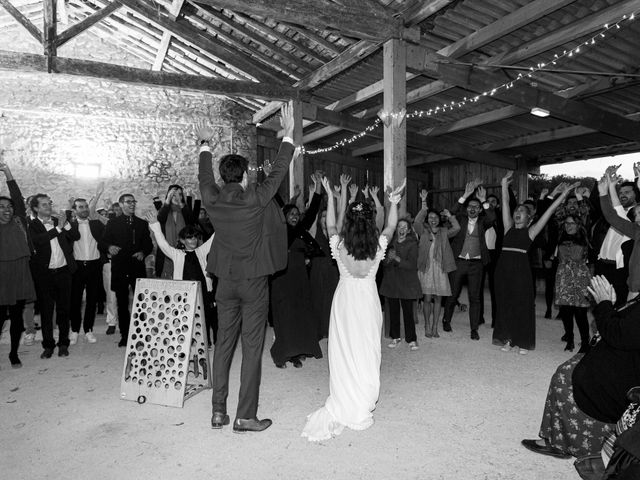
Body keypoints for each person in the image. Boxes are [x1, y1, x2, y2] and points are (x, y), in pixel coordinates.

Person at [197, 103, 295, 434]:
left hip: (224, 282)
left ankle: (217, 413)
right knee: (252, 348)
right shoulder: (255, 198)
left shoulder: (211, 198)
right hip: (253, 282)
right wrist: (288, 135)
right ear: (244, 174)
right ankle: (245, 416)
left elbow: (203, 177)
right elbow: (280, 170)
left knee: (224, 344)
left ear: (224, 176)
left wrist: (205, 145)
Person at [301, 176, 404, 442]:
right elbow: (391, 225)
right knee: (367, 348)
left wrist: (329, 195)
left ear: (351, 223)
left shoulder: (339, 245)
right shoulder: (379, 246)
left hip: (345, 300)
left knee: (344, 349)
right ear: (371, 224)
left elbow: (331, 223)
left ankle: (345, 397)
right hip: (368, 300)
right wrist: (394, 202)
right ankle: (363, 399)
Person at [521, 276, 640, 458]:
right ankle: (556, 440)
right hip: (624, 363)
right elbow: (625, 327)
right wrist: (611, 306)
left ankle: (560, 443)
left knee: (564, 377)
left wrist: (605, 304)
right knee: (571, 366)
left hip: (625, 384)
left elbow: (618, 334)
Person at [492, 172, 576, 354]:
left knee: (522, 306)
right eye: (516, 211)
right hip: (502, 271)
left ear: (529, 218)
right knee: (505, 306)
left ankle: (522, 341)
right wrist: (503, 185)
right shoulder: (507, 228)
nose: (517, 213)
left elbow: (549, 211)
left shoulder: (531, 232)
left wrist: (563, 195)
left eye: (521, 212)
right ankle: (508, 339)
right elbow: (505, 204)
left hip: (520, 273)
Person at [270, 174, 323, 368]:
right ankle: (284, 354)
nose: (294, 216)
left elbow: (314, 209)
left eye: (296, 214)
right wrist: (271, 176)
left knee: (300, 313)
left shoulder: (301, 229)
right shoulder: (279, 230)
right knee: (285, 315)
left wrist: (318, 186)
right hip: (281, 280)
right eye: (290, 213)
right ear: (283, 216)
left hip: (300, 279)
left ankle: (300, 349)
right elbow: (276, 201)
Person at [145, 212, 217, 345]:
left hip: (204, 292)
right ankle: (187, 343)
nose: (193, 240)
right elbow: (162, 244)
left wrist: (225, 220)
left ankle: (207, 343)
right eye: (189, 238)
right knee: (186, 319)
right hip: (185, 294)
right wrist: (155, 225)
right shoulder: (176, 254)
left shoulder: (201, 251)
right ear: (182, 241)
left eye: (195, 237)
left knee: (207, 316)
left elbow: (215, 238)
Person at [442, 179, 495, 340]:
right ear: (467, 209)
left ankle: (474, 329)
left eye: (476, 207)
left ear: (480, 210)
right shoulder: (461, 219)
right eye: (470, 207)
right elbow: (450, 211)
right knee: (453, 293)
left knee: (475, 297)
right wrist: (465, 195)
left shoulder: (484, 222)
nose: (473, 209)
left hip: (476, 264)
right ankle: (446, 319)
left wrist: (484, 200)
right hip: (458, 261)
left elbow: (492, 218)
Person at [102, 194, 153, 347]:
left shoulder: (142, 224)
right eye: (128, 202)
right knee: (122, 303)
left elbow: (148, 244)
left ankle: (142, 334)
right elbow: (103, 242)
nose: (132, 204)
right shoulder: (112, 223)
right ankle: (125, 335)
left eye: (133, 201)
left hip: (137, 267)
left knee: (141, 303)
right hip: (120, 267)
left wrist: (143, 252)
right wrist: (109, 247)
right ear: (121, 204)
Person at [0, 161, 35, 367]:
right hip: (1, 275)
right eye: (2, 207)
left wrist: (7, 172)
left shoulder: (19, 221)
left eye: (9, 206)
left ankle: (14, 353)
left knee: (16, 319)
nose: (7, 209)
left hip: (20, 274)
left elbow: (18, 198)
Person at [413, 189, 459, 338]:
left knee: (438, 298)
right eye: (430, 217)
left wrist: (450, 216)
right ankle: (426, 325)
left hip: (440, 268)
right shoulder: (422, 230)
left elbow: (457, 228)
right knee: (427, 298)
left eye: (435, 217)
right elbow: (417, 221)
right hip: (426, 268)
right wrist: (424, 203)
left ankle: (434, 327)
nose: (433, 219)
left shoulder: (444, 232)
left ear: (439, 219)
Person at [69, 198, 107, 345]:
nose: (84, 209)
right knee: (75, 300)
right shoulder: (70, 226)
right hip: (77, 267)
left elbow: (106, 239)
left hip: (94, 265)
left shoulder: (97, 224)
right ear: (75, 210)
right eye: (80, 207)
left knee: (92, 300)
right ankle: (74, 330)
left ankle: (88, 329)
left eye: (86, 206)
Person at [380, 217, 422, 350]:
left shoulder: (412, 244)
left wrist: (397, 259)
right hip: (392, 281)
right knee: (393, 311)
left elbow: (412, 265)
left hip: (406, 282)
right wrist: (387, 260)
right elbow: (384, 263)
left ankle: (412, 339)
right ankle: (395, 337)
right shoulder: (390, 243)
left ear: (409, 230)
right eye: (399, 227)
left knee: (408, 312)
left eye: (404, 227)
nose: (401, 229)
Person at [598, 168, 640, 300]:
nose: (637, 219)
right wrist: (603, 193)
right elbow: (612, 217)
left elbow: (618, 213)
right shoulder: (636, 231)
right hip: (633, 291)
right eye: (636, 215)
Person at [553, 214, 592, 353]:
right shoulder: (560, 237)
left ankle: (585, 341)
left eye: (572, 223)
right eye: (566, 223)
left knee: (580, 312)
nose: (568, 226)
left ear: (578, 225)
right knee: (566, 311)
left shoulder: (585, 239)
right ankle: (569, 339)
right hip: (563, 276)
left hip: (580, 277)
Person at [155, 185, 195, 278]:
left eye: (180, 195)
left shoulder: (185, 211)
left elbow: (191, 221)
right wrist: (168, 199)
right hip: (167, 255)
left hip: (184, 253)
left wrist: (181, 203)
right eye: (173, 195)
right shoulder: (164, 211)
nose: (177, 197)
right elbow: (160, 217)